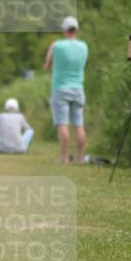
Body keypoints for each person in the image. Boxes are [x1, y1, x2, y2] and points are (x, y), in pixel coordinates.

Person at [44, 15, 89, 164]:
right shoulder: (84, 46)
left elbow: (47, 66)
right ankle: (80, 158)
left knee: (63, 124)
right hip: (78, 89)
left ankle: (64, 158)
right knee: (79, 124)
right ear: (77, 30)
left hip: (60, 89)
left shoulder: (56, 46)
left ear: (64, 30)